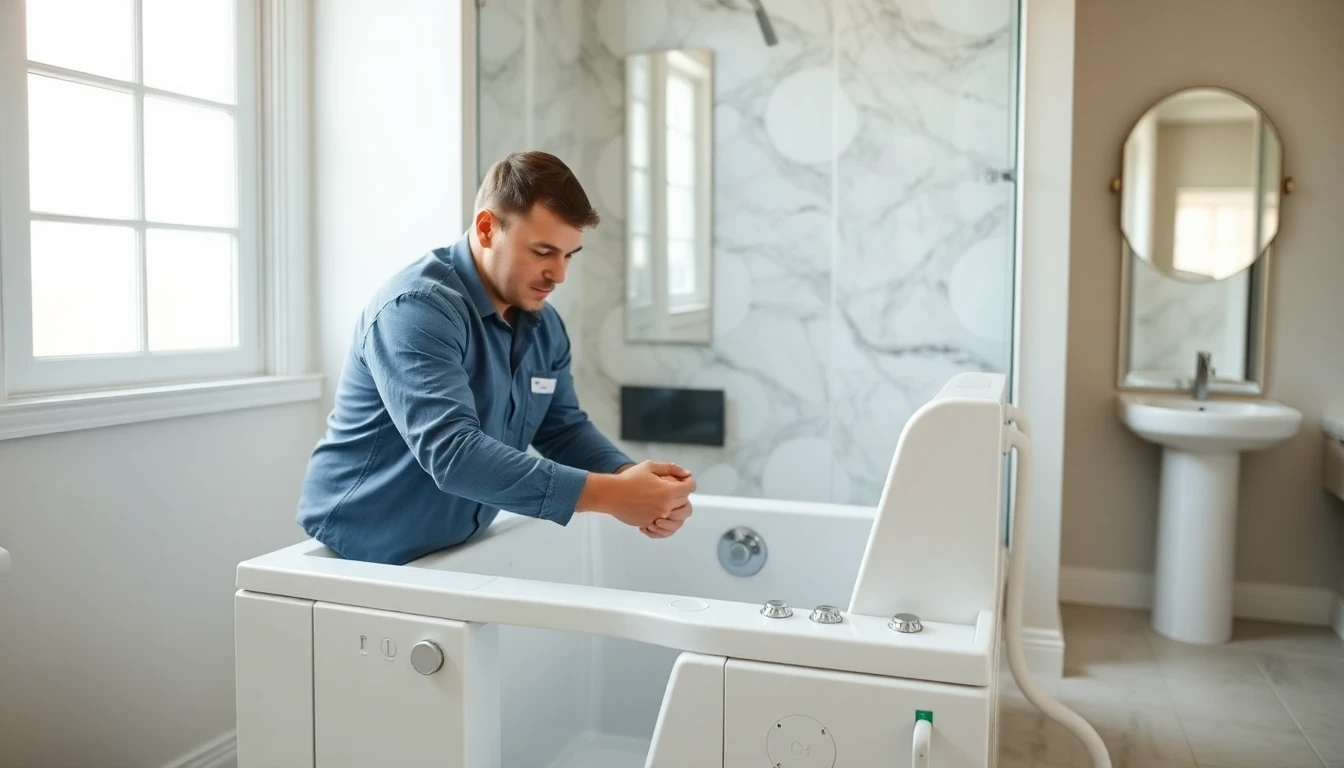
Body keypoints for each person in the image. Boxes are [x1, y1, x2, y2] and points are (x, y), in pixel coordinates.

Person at [295, 151, 696, 565]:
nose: (559, 275)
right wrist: (612, 497)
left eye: (569, 255)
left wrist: (630, 480)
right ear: (487, 228)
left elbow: (561, 428)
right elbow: (454, 455)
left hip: (451, 552)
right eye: (543, 252)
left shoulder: (545, 325)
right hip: (357, 552)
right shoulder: (416, 310)